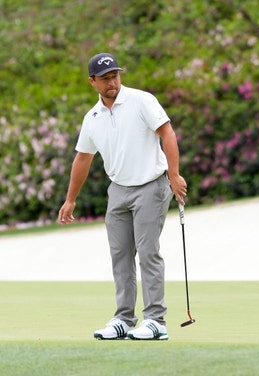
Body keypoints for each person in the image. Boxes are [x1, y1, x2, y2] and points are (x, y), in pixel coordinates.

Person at [58, 52, 187, 340]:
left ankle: (156, 320)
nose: (112, 82)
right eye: (105, 78)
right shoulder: (92, 118)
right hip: (117, 191)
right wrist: (70, 199)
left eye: (115, 75)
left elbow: (167, 133)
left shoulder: (142, 100)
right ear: (92, 82)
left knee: (148, 252)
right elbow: (83, 158)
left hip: (151, 186)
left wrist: (174, 174)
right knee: (120, 256)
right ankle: (124, 318)